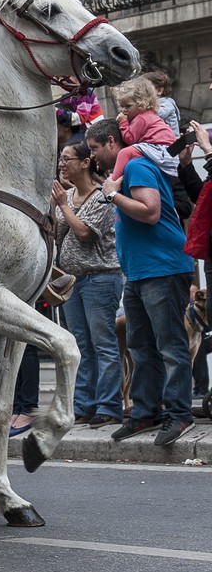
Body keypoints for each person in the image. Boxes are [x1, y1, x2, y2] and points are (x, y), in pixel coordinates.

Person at [88, 118, 197, 445]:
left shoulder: (136, 166)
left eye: (95, 149)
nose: (93, 157)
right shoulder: (125, 172)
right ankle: (146, 412)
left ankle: (179, 415)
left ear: (111, 142)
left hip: (161, 268)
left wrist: (112, 196)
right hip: (139, 272)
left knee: (169, 343)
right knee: (139, 345)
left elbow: (150, 211)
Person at [51, 140, 125, 427]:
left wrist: (62, 206)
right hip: (72, 281)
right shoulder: (66, 197)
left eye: (67, 158)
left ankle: (108, 405)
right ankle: (84, 405)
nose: (62, 163)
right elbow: (58, 235)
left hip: (100, 279)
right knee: (80, 346)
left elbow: (83, 233)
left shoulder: (101, 197)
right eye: (61, 159)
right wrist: (56, 205)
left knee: (103, 343)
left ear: (84, 163)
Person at [109, 76, 178, 180]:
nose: (124, 110)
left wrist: (123, 122)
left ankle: (114, 180)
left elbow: (130, 139)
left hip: (160, 149)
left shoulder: (141, 118)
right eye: (122, 106)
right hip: (165, 149)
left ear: (142, 103)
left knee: (124, 153)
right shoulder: (148, 115)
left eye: (128, 106)